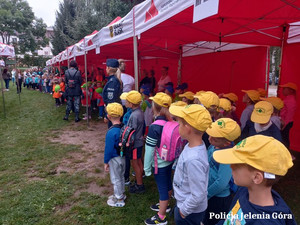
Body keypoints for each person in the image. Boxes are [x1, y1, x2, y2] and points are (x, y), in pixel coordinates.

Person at [213, 135, 296, 225]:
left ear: (256, 177)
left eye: (236, 165)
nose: (230, 166)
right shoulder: (244, 192)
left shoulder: (265, 222)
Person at [169, 104, 212, 225]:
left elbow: (198, 194)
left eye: (180, 124)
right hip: (186, 203)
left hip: (189, 211)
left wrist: (183, 210)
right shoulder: (193, 146)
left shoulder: (194, 160)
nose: (178, 126)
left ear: (187, 128)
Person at [204, 118, 241, 225]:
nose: (210, 139)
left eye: (214, 138)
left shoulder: (228, 157)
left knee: (214, 220)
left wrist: (206, 195)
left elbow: (221, 182)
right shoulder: (213, 146)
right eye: (210, 134)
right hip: (209, 192)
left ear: (226, 143)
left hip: (219, 198)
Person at [144, 92, 172, 225]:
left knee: (162, 189)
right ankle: (167, 205)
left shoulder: (154, 127)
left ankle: (161, 217)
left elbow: (149, 150)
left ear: (155, 107)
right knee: (168, 184)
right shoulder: (172, 123)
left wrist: (147, 168)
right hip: (170, 161)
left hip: (158, 164)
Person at [120, 90, 145, 194]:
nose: (125, 102)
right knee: (138, 162)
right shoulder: (139, 112)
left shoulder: (134, 115)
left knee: (135, 164)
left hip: (134, 143)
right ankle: (140, 181)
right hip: (139, 142)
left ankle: (139, 185)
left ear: (131, 103)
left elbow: (131, 131)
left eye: (127, 101)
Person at [104, 103, 126, 207]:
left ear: (108, 116)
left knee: (115, 178)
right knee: (121, 176)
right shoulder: (124, 127)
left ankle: (119, 198)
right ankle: (121, 193)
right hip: (123, 157)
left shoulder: (111, 132)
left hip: (114, 158)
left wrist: (105, 162)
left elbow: (108, 150)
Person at [279, 82, 297, 150]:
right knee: (284, 137)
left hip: (286, 122)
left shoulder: (291, 100)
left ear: (290, 91)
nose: (282, 90)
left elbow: (289, 113)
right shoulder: (288, 99)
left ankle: (286, 152)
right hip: (285, 121)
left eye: (284, 89)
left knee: (284, 138)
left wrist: (285, 124)